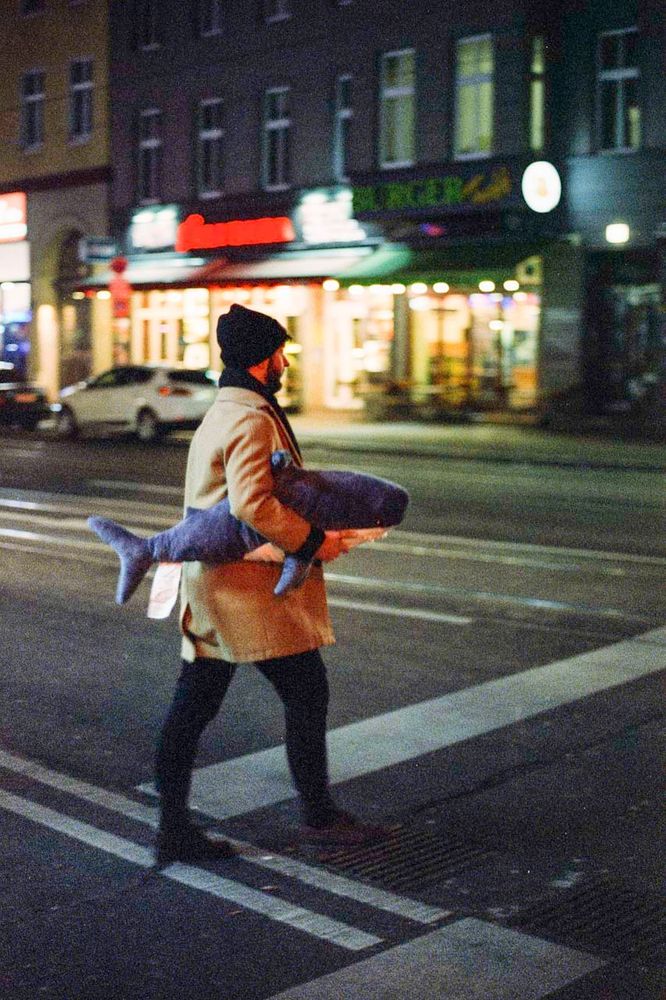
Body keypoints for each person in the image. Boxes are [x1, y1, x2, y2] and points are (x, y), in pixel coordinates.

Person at [154, 304, 391, 866]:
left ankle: (173, 829)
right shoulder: (250, 418)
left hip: (218, 585)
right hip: (247, 589)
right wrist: (312, 541)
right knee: (305, 692)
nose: (285, 362)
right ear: (264, 359)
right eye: (281, 352)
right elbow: (252, 503)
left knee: (195, 707)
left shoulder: (230, 409)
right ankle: (319, 817)